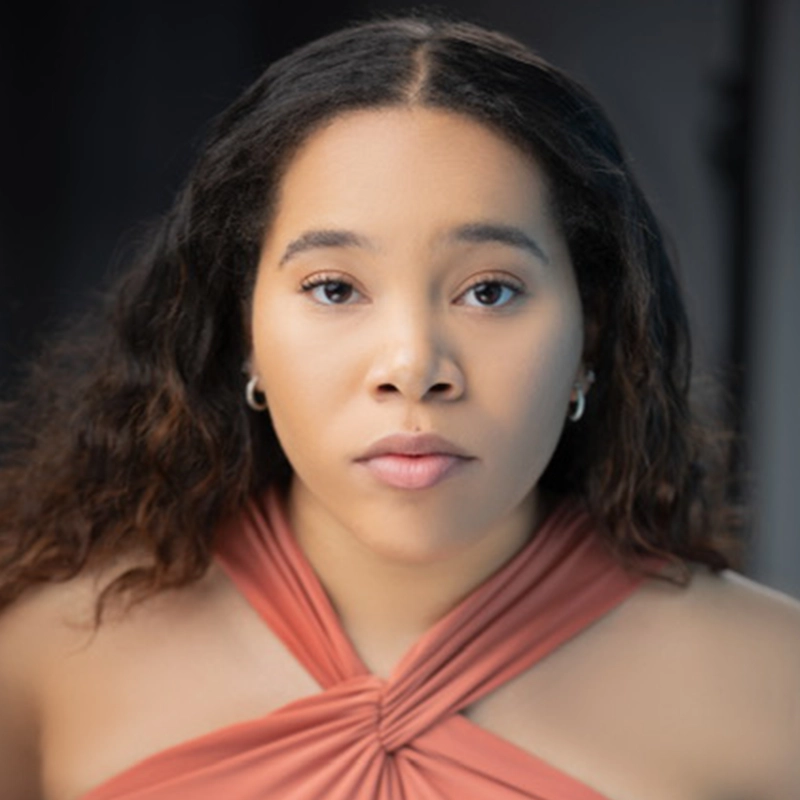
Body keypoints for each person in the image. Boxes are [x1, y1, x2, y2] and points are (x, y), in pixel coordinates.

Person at [1, 12, 798, 800]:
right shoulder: (38, 670)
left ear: (591, 335)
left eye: (489, 291)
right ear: (242, 330)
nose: (414, 367)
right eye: (335, 288)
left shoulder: (774, 687)